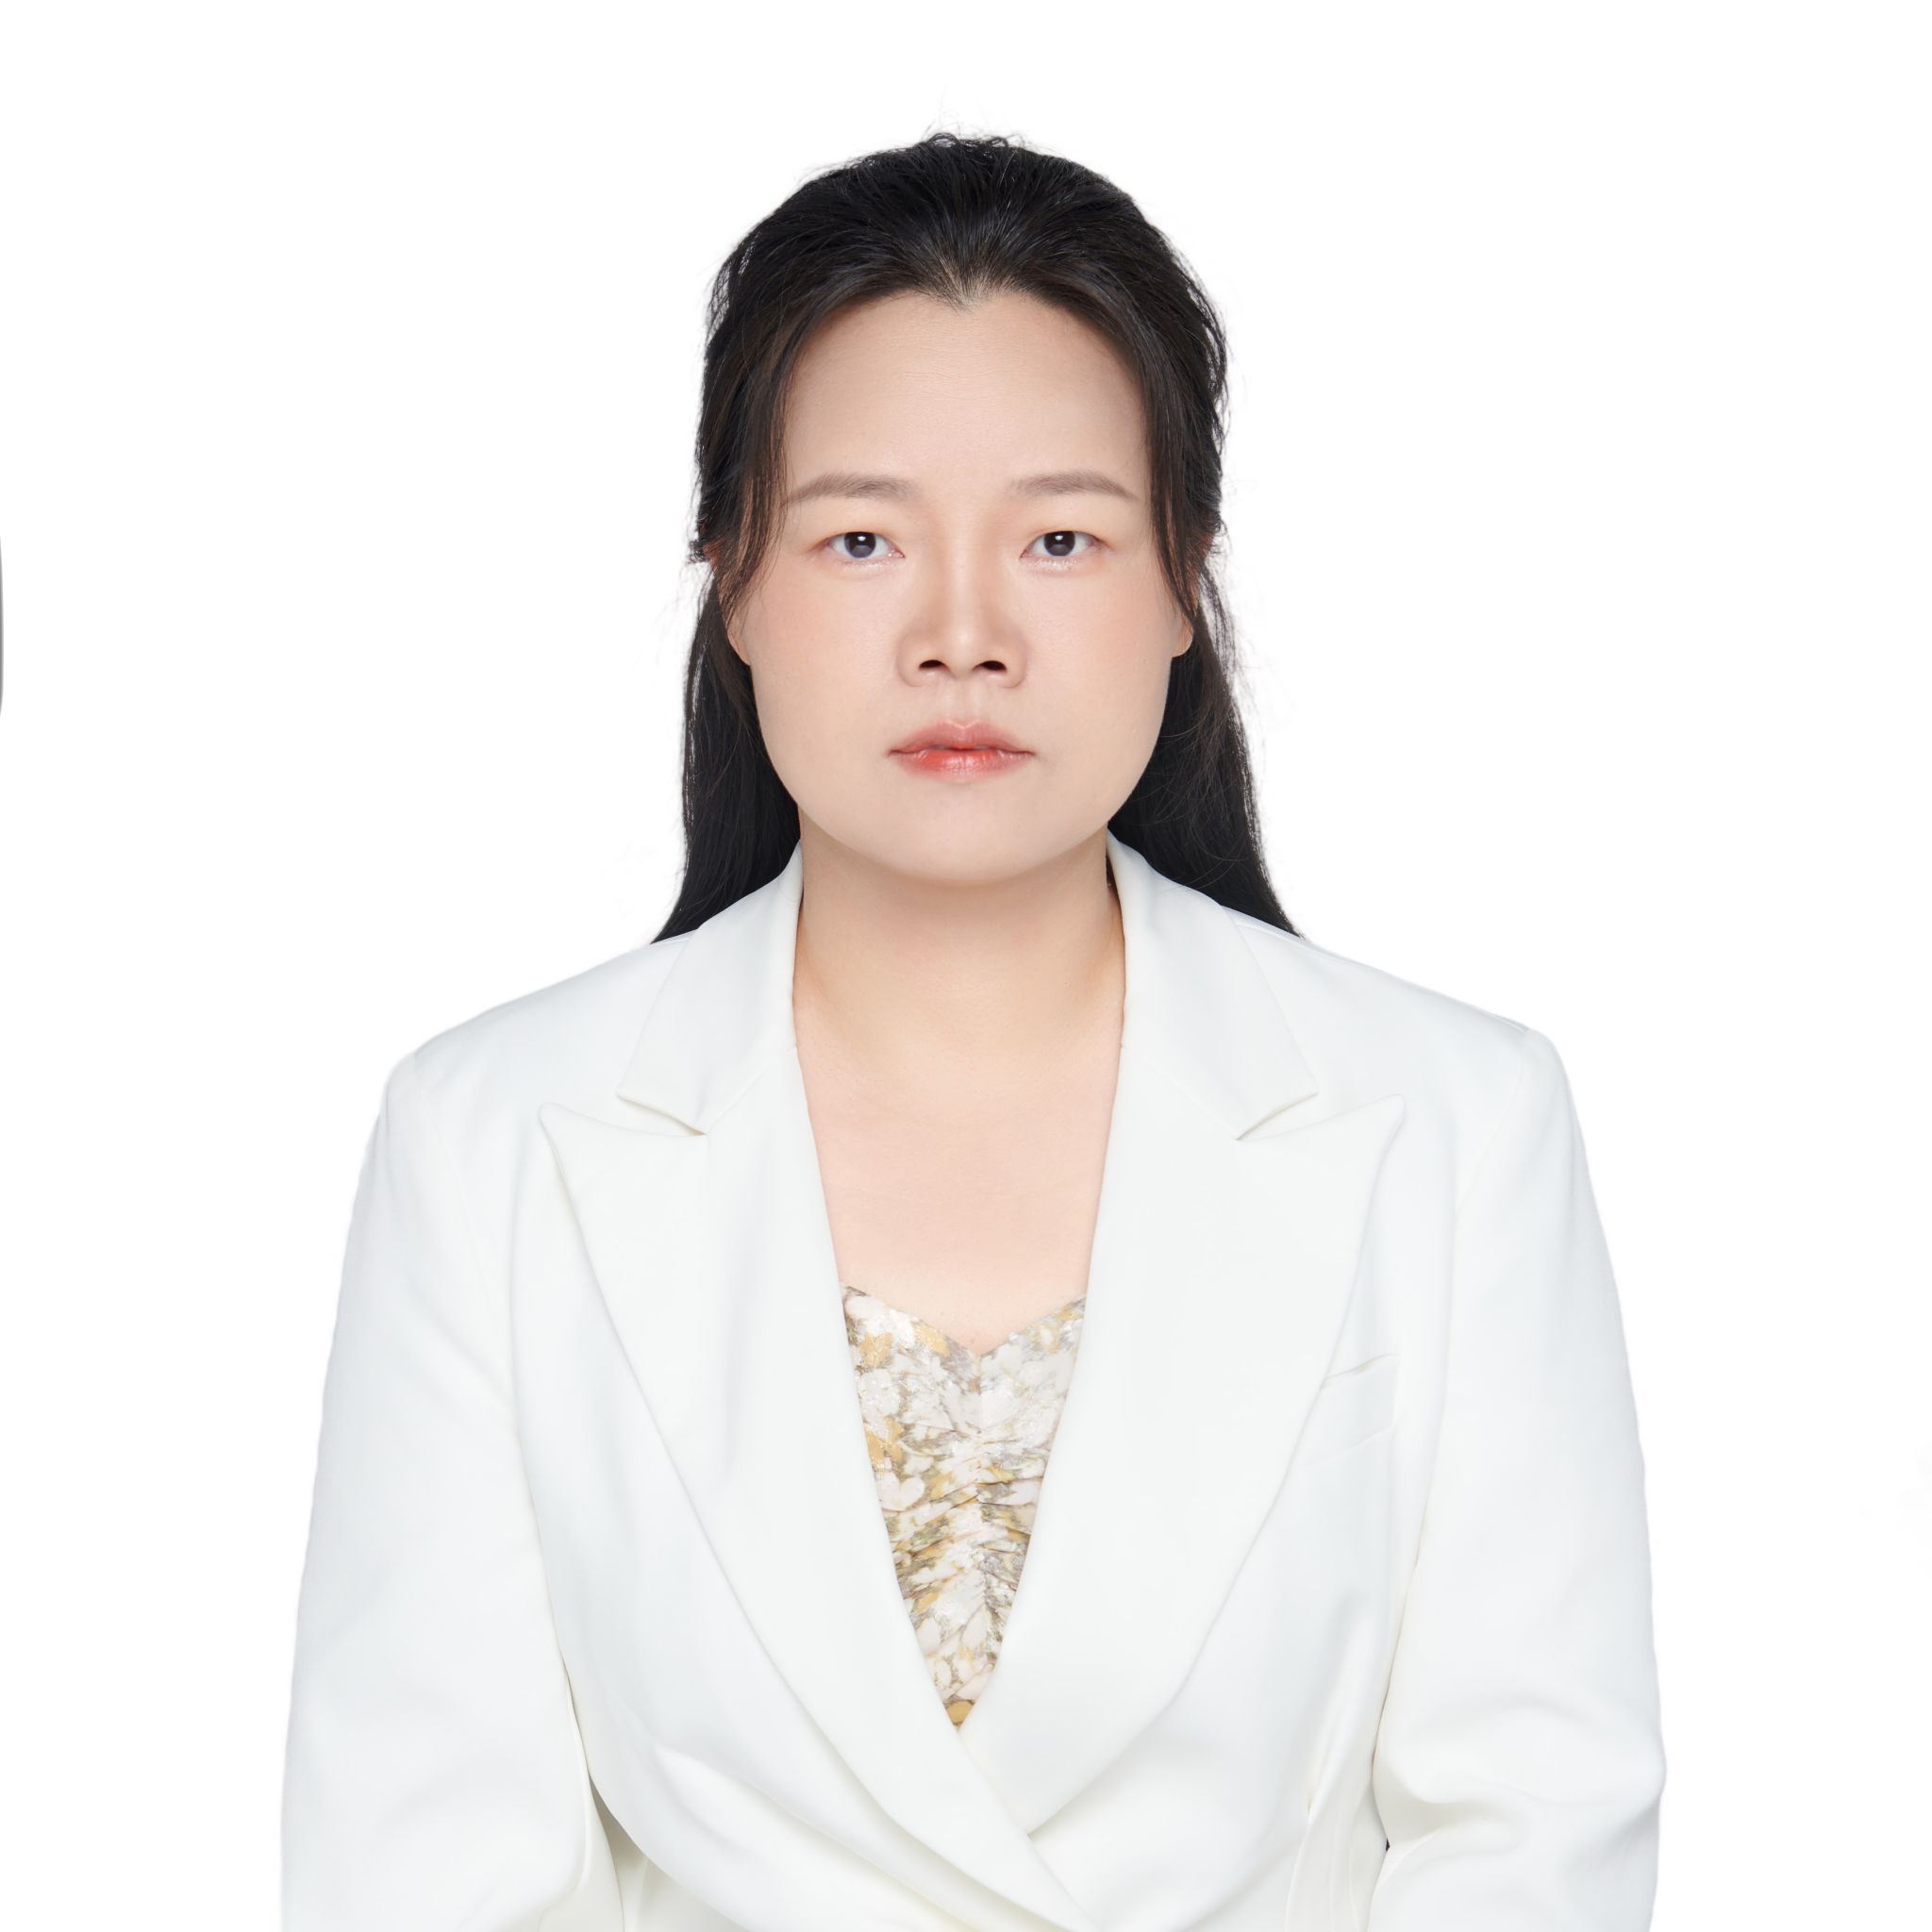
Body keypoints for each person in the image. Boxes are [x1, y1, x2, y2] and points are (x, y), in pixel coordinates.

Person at [281, 130, 1666, 1931]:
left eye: (1061, 538)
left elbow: (1531, 1830)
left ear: (1184, 582)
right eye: (861, 537)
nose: (963, 634)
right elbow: (425, 1866)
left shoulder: (1457, 1123)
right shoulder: (488, 1142)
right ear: (733, 579)